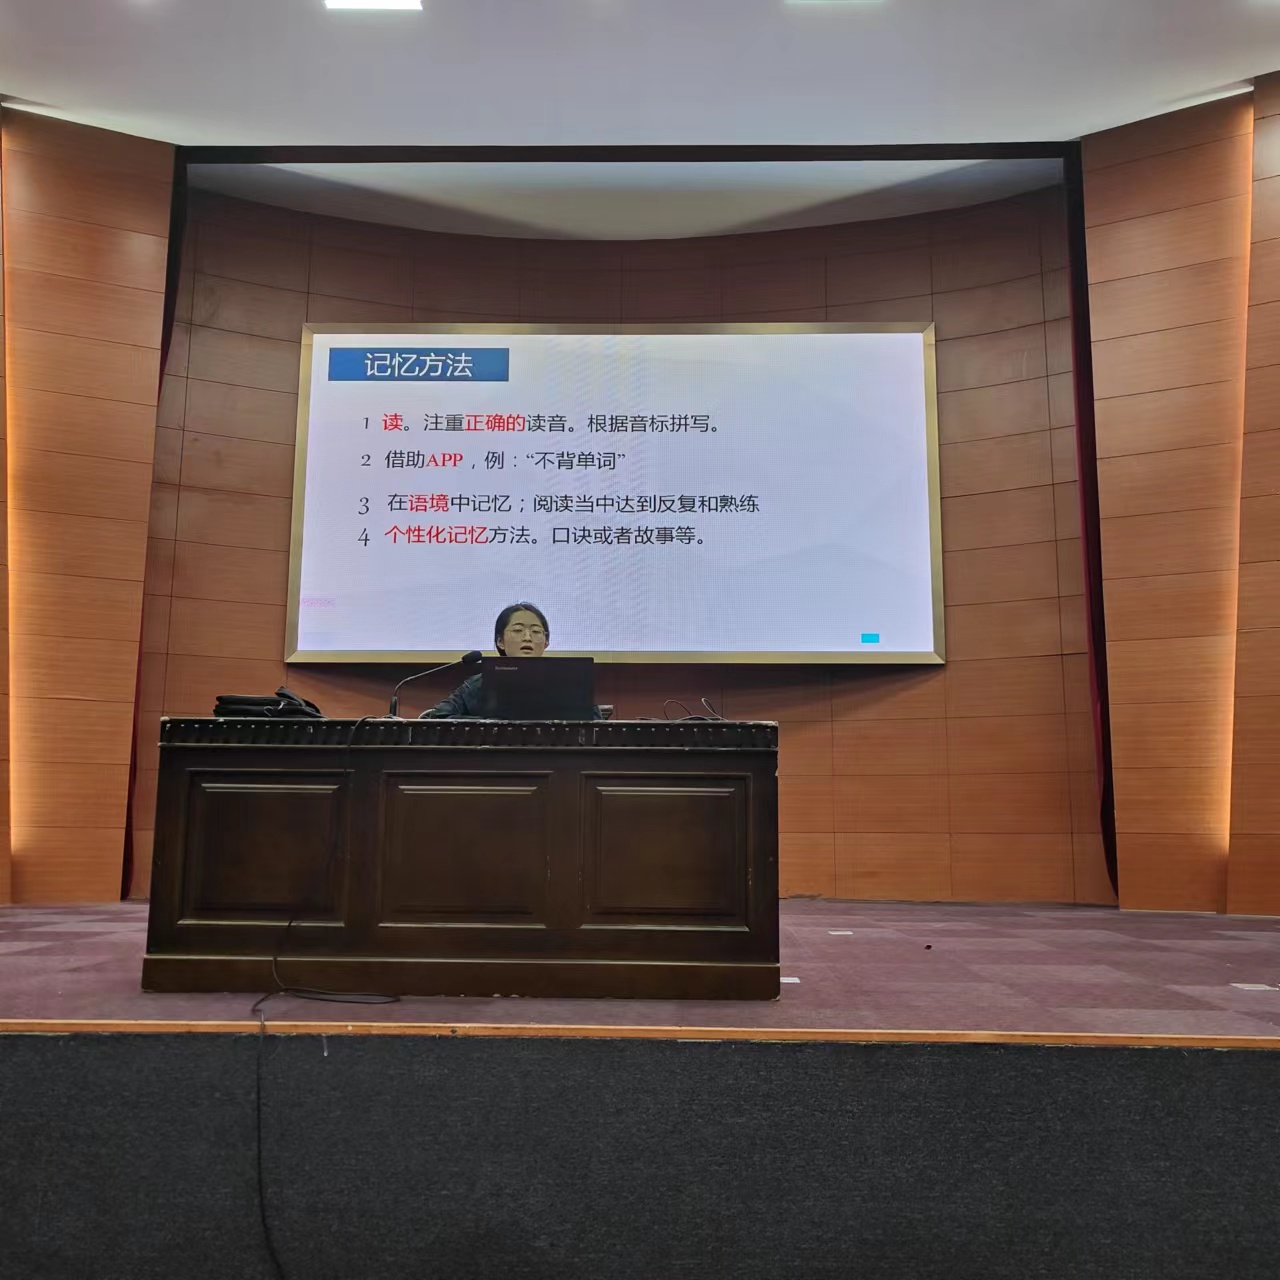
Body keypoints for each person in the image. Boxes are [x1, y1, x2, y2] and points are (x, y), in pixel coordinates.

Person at [425, 602, 551, 718]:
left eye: (536, 631)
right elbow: (437, 716)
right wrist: (488, 724)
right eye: (518, 630)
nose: (528, 637)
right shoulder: (480, 683)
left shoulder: (560, 681)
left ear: (546, 643)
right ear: (500, 641)